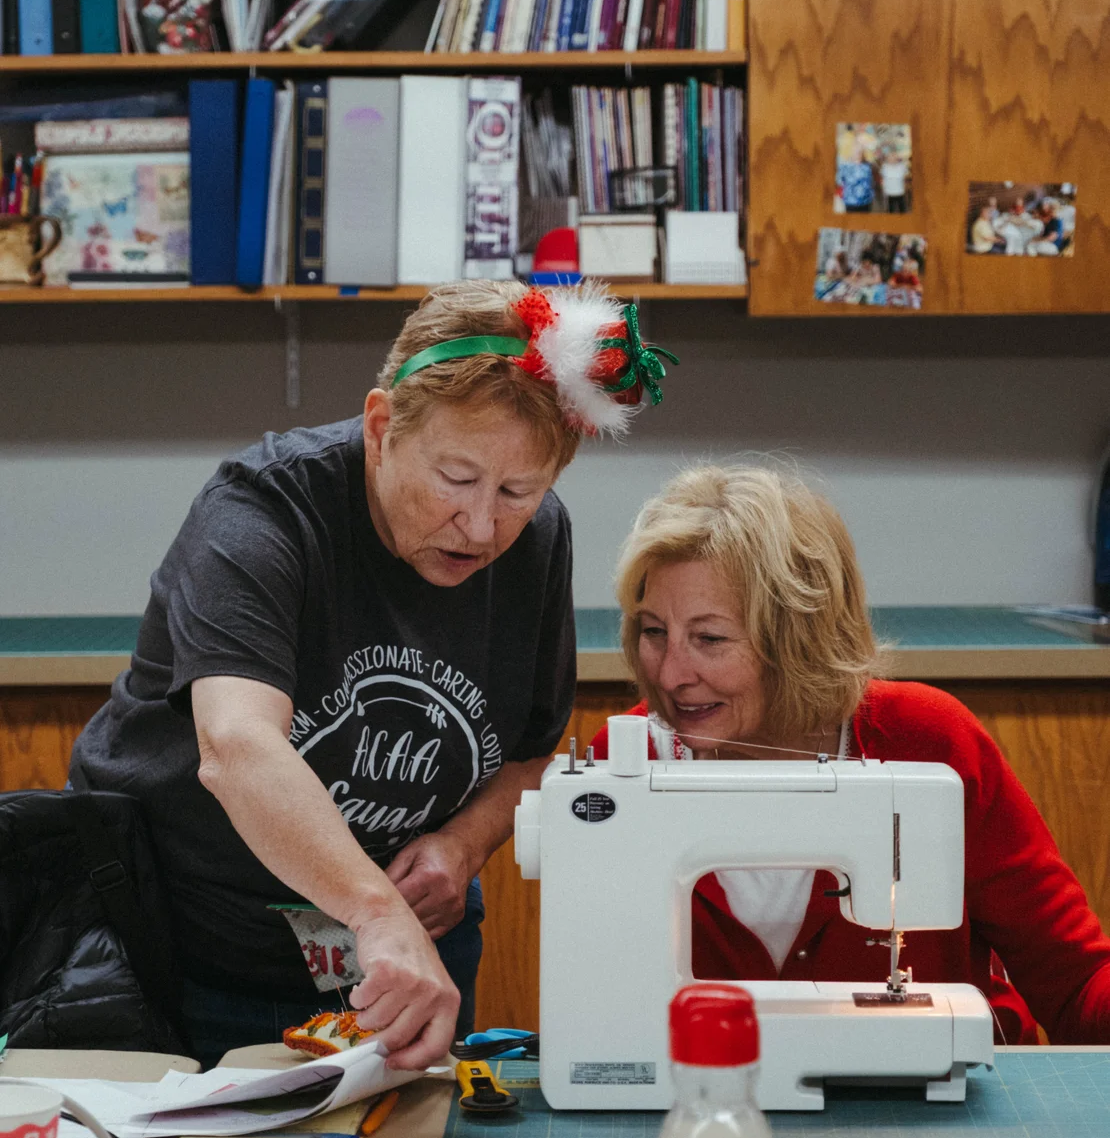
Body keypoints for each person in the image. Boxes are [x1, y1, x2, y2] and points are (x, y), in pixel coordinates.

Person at [70, 281, 676, 1069]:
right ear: (382, 426)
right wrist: (375, 910)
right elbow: (237, 746)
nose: (483, 525)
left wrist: (459, 848)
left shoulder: (536, 541)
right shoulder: (263, 513)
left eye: (519, 493)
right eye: (456, 479)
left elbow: (532, 749)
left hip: (408, 960)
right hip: (189, 948)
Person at [590, 465, 1110, 1044]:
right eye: (653, 631)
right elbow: (601, 1019)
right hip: (712, 1106)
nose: (669, 673)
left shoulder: (928, 742)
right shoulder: (621, 768)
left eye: (709, 639)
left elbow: (1074, 983)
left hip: (944, 1113)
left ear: (799, 641)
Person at [878, 148, 909, 213]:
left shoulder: (902, 166)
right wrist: (882, 187)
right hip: (889, 192)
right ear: (887, 158)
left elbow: (905, 178)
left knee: (902, 209)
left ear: (897, 157)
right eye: (890, 157)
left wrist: (906, 188)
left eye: (894, 156)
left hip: (900, 191)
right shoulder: (884, 166)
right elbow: (882, 178)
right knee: (890, 210)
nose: (892, 158)